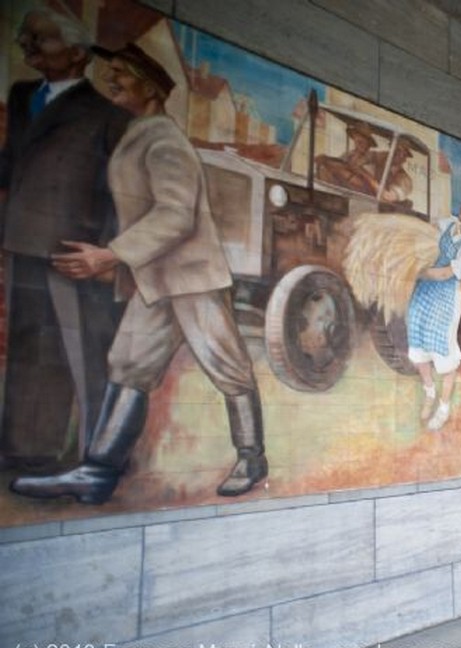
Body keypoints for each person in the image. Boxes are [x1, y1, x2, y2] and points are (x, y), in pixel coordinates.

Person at [10, 43, 267, 504]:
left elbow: (176, 215)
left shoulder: (163, 139)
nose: (112, 82)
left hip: (190, 281)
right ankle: (97, 472)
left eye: (121, 76)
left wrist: (111, 256)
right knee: (128, 366)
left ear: (148, 87)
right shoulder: (139, 134)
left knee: (227, 365)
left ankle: (252, 458)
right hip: (156, 282)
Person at [0, 8, 129, 471]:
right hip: (24, 242)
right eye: (25, 38)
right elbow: (14, 163)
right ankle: (25, 449)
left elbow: (122, 193)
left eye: (40, 39)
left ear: (76, 54)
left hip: (76, 253)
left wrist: (109, 254)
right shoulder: (20, 97)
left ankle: (96, 456)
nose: (28, 46)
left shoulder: (106, 115)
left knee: (80, 353)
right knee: (28, 349)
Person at [407, 196, 461, 430]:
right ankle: (429, 391)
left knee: (442, 348)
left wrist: (418, 272)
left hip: (446, 297)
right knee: (418, 337)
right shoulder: (449, 224)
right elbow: (429, 230)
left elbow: (443, 275)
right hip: (426, 292)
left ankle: (443, 406)